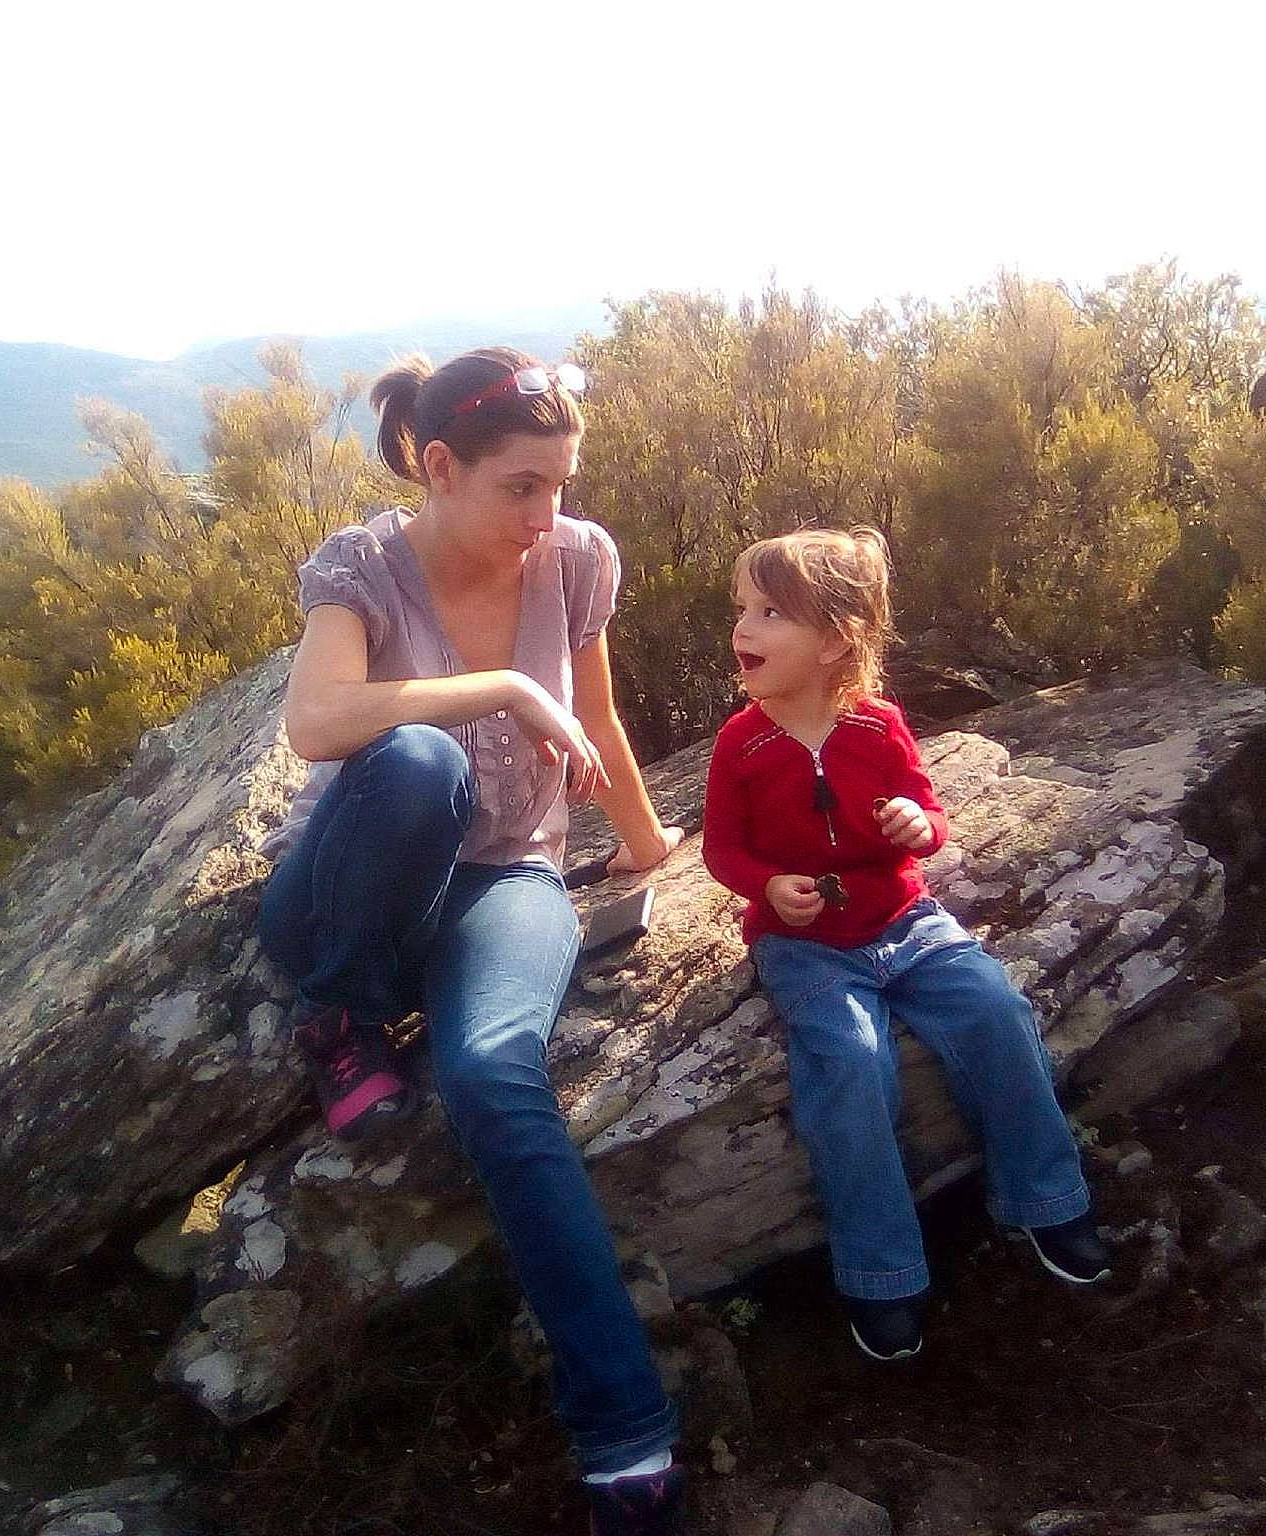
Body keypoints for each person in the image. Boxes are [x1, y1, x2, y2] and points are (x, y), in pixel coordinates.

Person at [256, 348, 686, 1533]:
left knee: (496, 1076)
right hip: (353, 901)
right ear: (439, 467)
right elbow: (316, 722)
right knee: (413, 758)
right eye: (519, 487)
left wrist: (651, 852)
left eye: (561, 483)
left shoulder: (578, 558)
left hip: (510, 875)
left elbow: (594, 715)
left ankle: (627, 1445)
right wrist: (499, 686)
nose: (546, 516)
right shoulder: (362, 567)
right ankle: (340, 1018)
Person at [701, 526, 1111, 1362]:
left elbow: (928, 817)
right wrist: (769, 886)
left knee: (996, 1010)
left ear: (835, 641)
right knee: (849, 1064)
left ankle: (1050, 1197)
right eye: (742, 608)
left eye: (771, 611)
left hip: (905, 921)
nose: (744, 627)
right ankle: (882, 1274)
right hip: (804, 945)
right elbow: (723, 851)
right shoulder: (740, 744)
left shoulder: (877, 725)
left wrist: (915, 824)